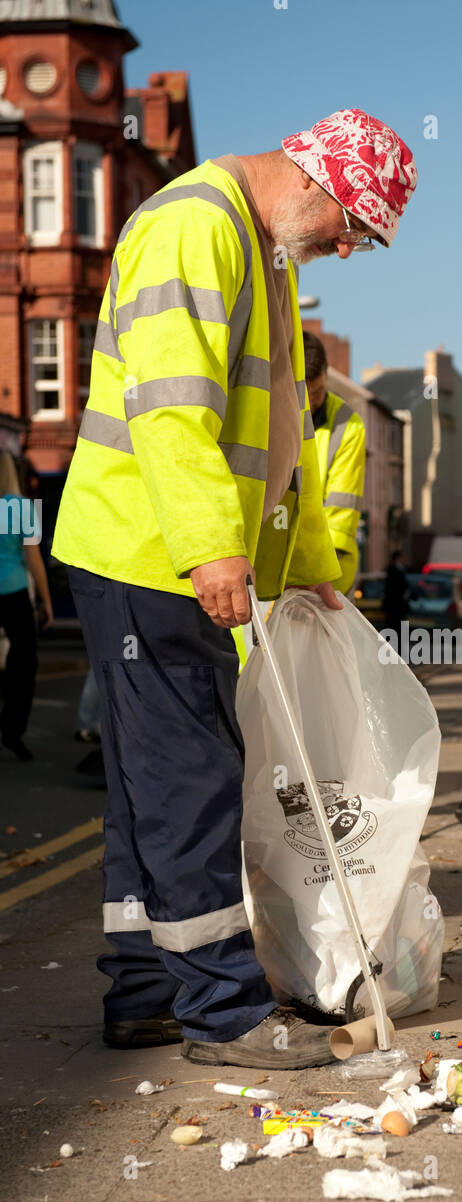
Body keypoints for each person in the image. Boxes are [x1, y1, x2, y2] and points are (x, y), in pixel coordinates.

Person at [51, 110, 417, 1067]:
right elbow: (172, 409)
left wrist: (306, 574)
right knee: (191, 778)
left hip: (151, 550)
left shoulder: (259, 252)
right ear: (313, 177)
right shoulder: (196, 224)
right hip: (149, 550)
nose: (346, 247)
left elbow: (276, 444)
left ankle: (144, 992)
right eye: (353, 225)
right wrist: (213, 548)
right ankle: (223, 1012)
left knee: (148, 789)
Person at [303, 331, 366, 595]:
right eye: (303, 392)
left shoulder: (347, 425)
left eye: (317, 391)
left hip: (330, 569)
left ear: (327, 374)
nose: (311, 400)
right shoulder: (271, 413)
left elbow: (341, 514)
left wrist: (319, 573)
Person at [0, 450, 52, 760]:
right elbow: (33, 557)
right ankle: (12, 729)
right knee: (24, 662)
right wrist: (46, 601)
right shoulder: (19, 507)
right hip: (13, 591)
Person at [384, 549, 410, 632]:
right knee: (395, 626)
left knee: (398, 625)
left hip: (398, 604)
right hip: (395, 604)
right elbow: (394, 588)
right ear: (398, 558)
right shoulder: (393, 570)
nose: (404, 559)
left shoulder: (400, 569)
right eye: (402, 557)